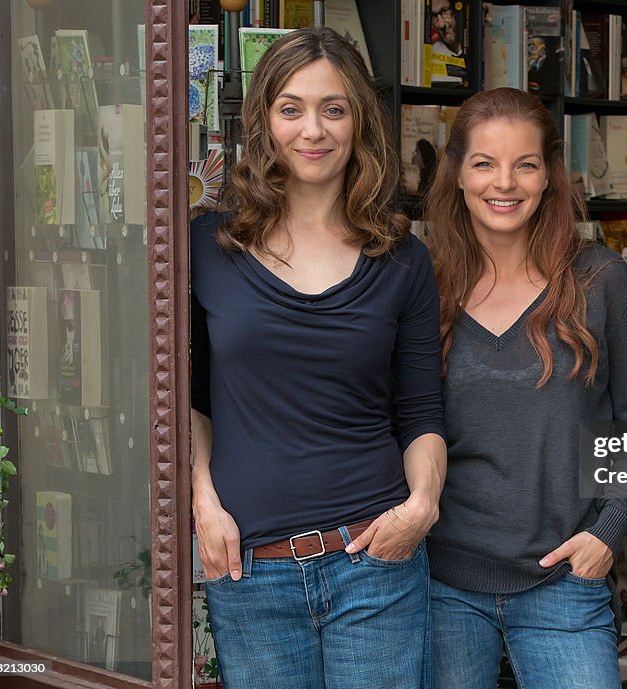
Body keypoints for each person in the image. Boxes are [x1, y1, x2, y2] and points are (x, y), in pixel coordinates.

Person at [190, 27, 447, 689]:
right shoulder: (204, 245)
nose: (314, 129)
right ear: (264, 122)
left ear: (359, 121)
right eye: (291, 108)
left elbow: (420, 410)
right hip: (250, 568)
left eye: (334, 109)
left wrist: (422, 504)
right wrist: (202, 501)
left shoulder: (404, 261)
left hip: (376, 561)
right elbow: (186, 397)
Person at [424, 88, 627, 689]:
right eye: (484, 163)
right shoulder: (422, 283)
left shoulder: (600, 279)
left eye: (525, 164)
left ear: (549, 176)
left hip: (565, 581)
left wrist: (605, 534)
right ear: (457, 175)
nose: (505, 183)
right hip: (441, 583)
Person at [430, 0, 466, 86]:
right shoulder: (430, 57)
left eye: (444, 11)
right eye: (434, 16)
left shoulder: (475, 45)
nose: (441, 24)